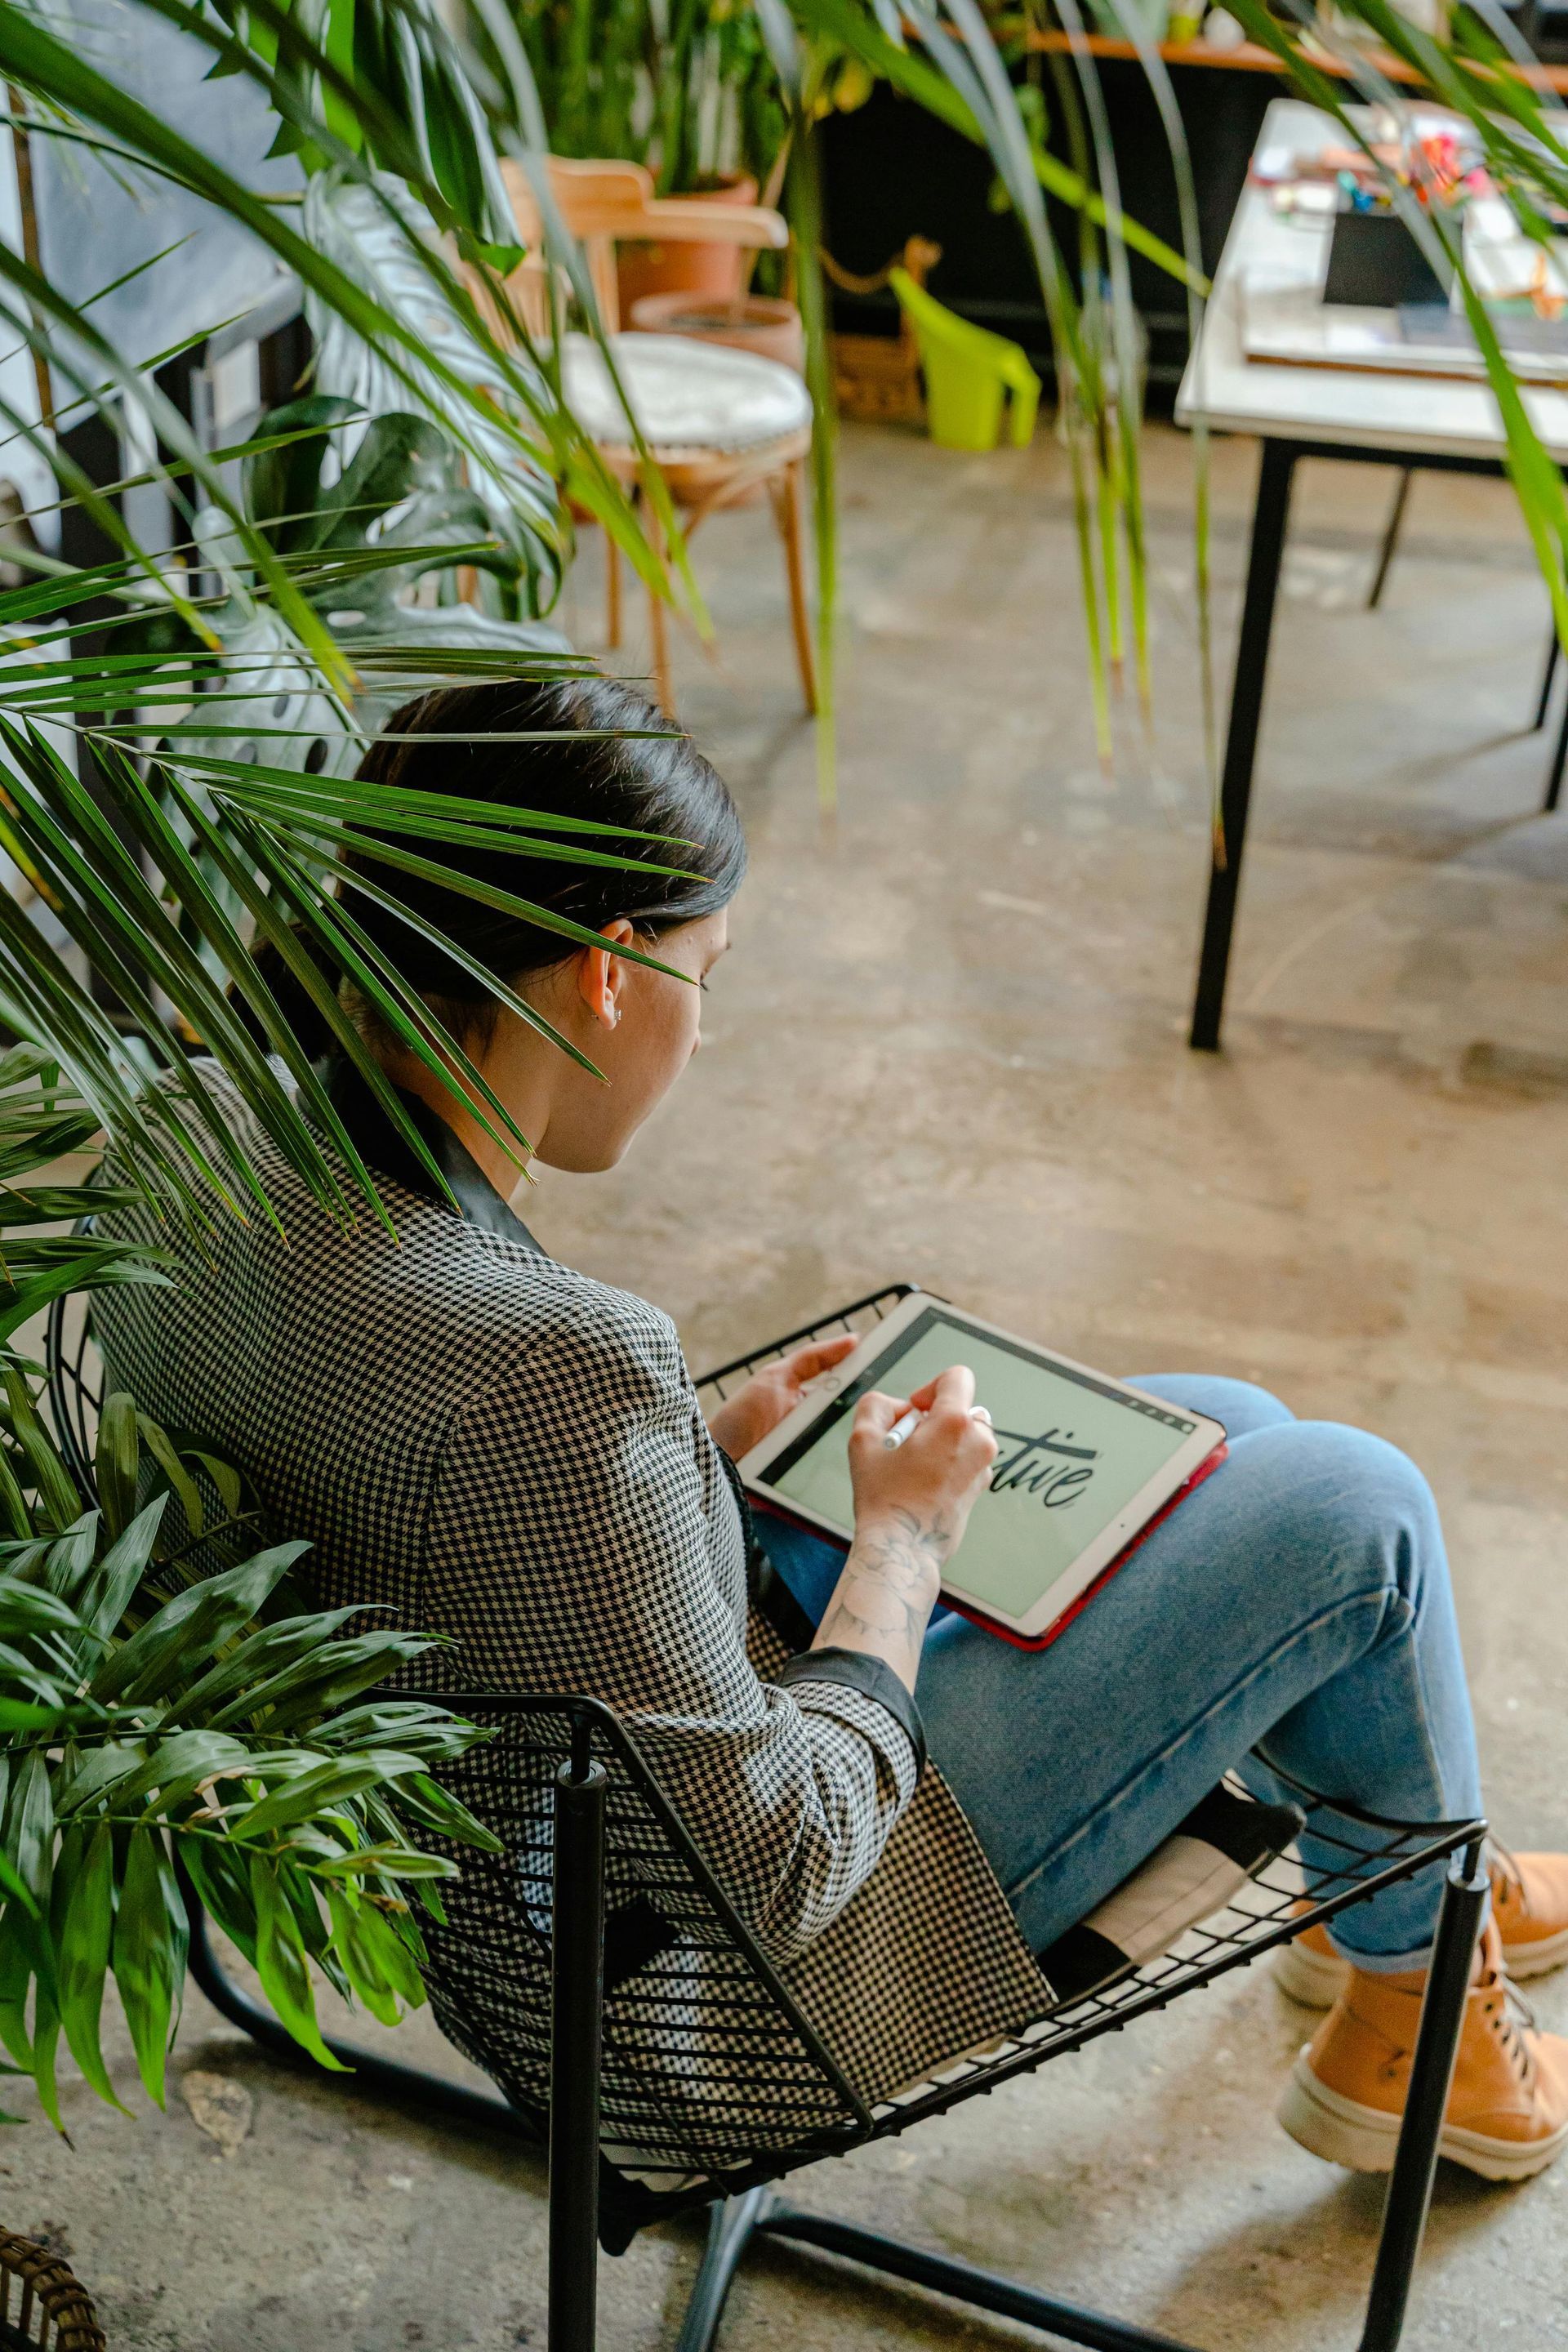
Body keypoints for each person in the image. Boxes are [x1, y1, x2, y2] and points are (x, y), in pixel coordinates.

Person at [93, 676, 1568, 2189]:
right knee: (1354, 1508)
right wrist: (901, 1540)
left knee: (1230, 1435)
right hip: (690, 2010)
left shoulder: (191, 1133)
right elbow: (779, 1863)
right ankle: (1414, 1986)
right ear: (606, 971)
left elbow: (409, 1487)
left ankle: (1396, 1902)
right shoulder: (551, 1365)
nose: (703, 1029)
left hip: (502, 1854)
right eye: (705, 972)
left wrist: (685, 1454)